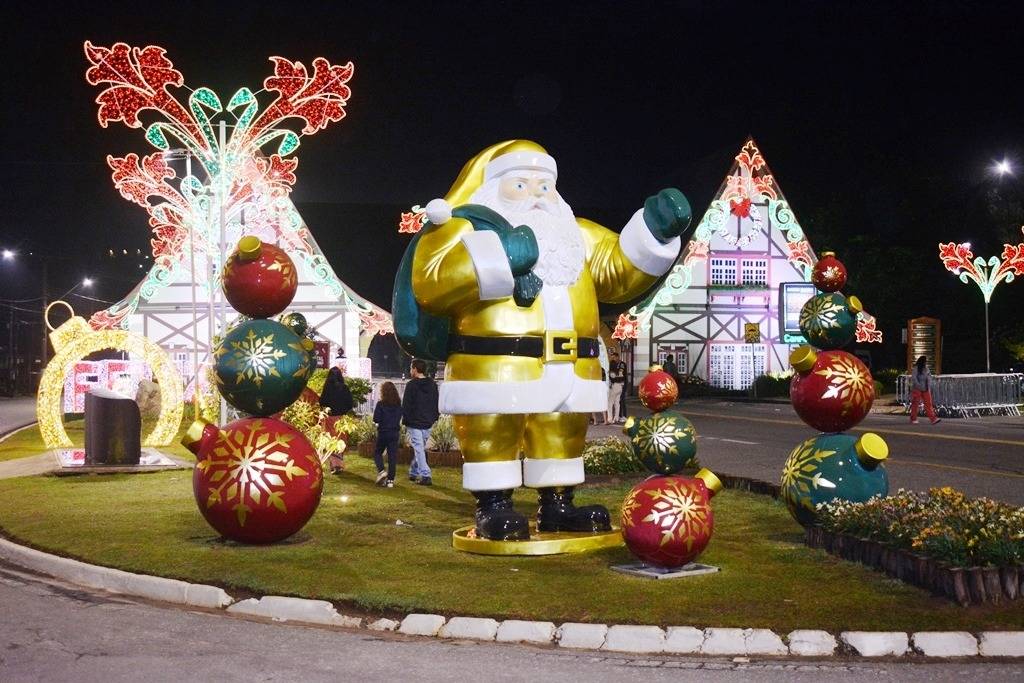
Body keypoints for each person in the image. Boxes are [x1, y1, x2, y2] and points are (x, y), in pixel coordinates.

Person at [407, 140, 693, 540]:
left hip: (572, 364)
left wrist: (653, 232)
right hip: (494, 366)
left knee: (562, 432)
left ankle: (558, 504)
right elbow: (431, 282)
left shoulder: (575, 234)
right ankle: (493, 505)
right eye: (520, 185)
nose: (537, 196)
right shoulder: (461, 227)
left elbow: (616, 268)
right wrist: (497, 256)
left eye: (545, 186)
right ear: (492, 186)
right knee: (493, 430)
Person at [402, 359, 440, 485]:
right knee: (420, 449)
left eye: (411, 368)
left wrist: (405, 419)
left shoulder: (411, 385)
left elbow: (406, 405)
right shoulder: (432, 385)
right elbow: (436, 402)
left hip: (414, 422)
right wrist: (434, 417)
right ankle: (413, 472)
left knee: (419, 449)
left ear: (415, 369)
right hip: (428, 421)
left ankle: (426, 475)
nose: (410, 371)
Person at [319, 348, 355, 473]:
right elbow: (350, 403)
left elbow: (322, 402)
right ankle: (338, 463)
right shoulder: (344, 388)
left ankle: (335, 465)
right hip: (341, 418)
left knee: (330, 440)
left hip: (329, 418)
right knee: (340, 440)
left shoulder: (327, 387)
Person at [373, 381, 403, 487]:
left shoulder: (380, 404)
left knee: (377, 452)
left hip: (383, 432)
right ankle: (390, 481)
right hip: (394, 432)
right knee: (392, 457)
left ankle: (381, 471)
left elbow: (376, 418)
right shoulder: (398, 404)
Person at [909, 355, 941, 425]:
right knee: (915, 404)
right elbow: (914, 378)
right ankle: (913, 418)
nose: (926, 362)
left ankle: (933, 419)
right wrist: (919, 386)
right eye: (925, 361)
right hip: (917, 389)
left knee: (928, 404)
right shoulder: (916, 368)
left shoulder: (926, 368)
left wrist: (929, 385)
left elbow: (929, 377)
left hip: (926, 388)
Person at [607, 351, 627, 423]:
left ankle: (610, 419)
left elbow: (612, 376)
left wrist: (610, 376)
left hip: (614, 385)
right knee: (617, 403)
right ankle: (616, 418)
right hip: (620, 386)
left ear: (617, 357)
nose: (613, 359)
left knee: (610, 403)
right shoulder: (621, 365)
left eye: (614, 357)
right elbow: (623, 376)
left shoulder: (612, 366)